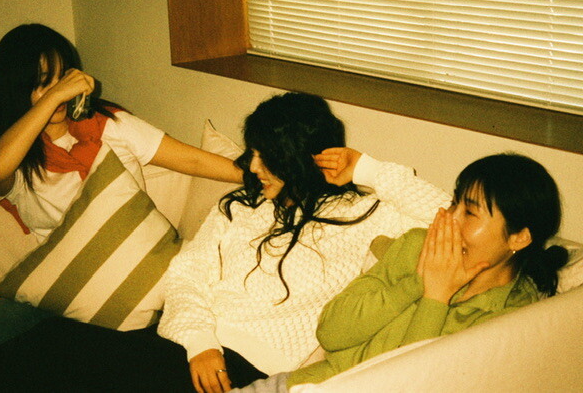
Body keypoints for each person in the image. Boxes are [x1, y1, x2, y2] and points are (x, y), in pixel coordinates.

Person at [0, 92, 449, 391]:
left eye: (264, 156)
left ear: (299, 157)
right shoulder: (241, 207)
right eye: (251, 152)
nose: (250, 166)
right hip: (186, 343)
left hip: (245, 367)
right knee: (48, 347)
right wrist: (200, 343)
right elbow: (185, 275)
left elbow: (451, 219)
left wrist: (367, 168)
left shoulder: (361, 214)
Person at [0, 23, 242, 369]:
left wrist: (266, 171)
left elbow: (193, 160)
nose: (58, 92)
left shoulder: (109, 124)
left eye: (62, 78)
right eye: (42, 82)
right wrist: (54, 98)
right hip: (58, 295)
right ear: (15, 88)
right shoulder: (16, 154)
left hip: (142, 283)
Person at [236, 151, 569, 392]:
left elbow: (408, 384)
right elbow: (331, 333)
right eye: (455, 203)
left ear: (519, 237)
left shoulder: (510, 319)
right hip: (301, 386)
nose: (449, 219)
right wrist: (416, 282)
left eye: (470, 213)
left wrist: (435, 298)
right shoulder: (416, 246)